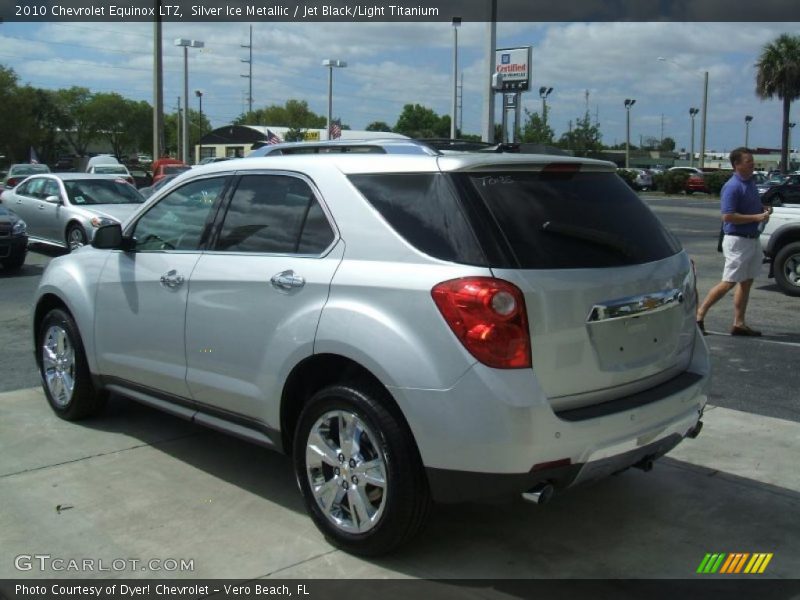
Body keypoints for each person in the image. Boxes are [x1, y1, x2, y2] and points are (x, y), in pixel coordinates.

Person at [696, 147, 771, 337]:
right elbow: (727, 216)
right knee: (729, 282)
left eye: (752, 160)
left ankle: (739, 323)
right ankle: (698, 316)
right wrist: (756, 218)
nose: (753, 164)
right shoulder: (732, 186)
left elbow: (750, 207)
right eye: (748, 161)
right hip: (737, 241)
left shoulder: (750, 183)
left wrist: (763, 210)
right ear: (737, 165)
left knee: (746, 282)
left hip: (751, 239)